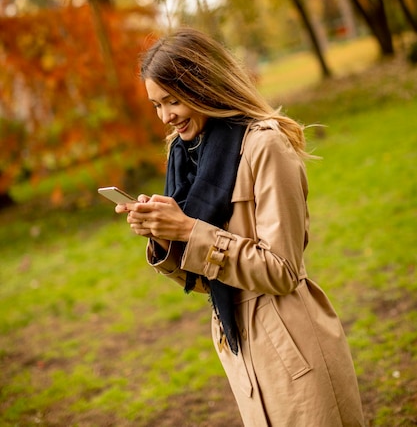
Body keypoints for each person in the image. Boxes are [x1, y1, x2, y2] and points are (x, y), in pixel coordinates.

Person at [116, 28, 365, 427]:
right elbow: (204, 281)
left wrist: (186, 230)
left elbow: (282, 270)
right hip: (239, 349)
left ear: (203, 86)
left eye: (173, 100)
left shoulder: (264, 146)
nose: (165, 116)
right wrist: (165, 238)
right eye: (157, 105)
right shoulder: (187, 157)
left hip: (293, 343)